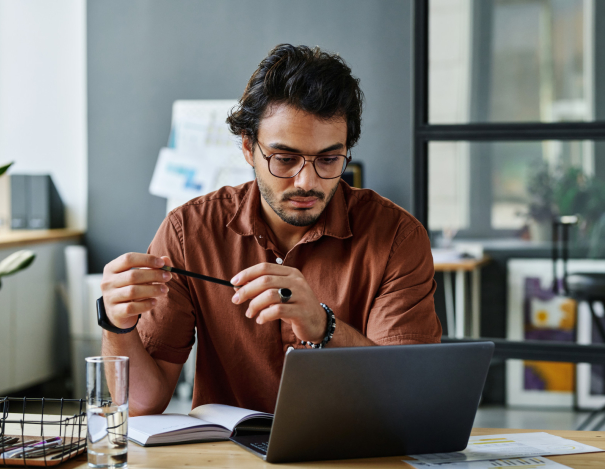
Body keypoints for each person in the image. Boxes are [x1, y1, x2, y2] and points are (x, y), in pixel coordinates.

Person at [99, 44, 442, 416]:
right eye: (284, 159)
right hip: (231, 465)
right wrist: (116, 325)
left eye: (329, 159)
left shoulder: (397, 237)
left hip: (355, 459)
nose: (306, 181)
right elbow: (141, 404)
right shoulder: (189, 232)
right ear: (248, 148)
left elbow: (409, 397)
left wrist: (322, 326)